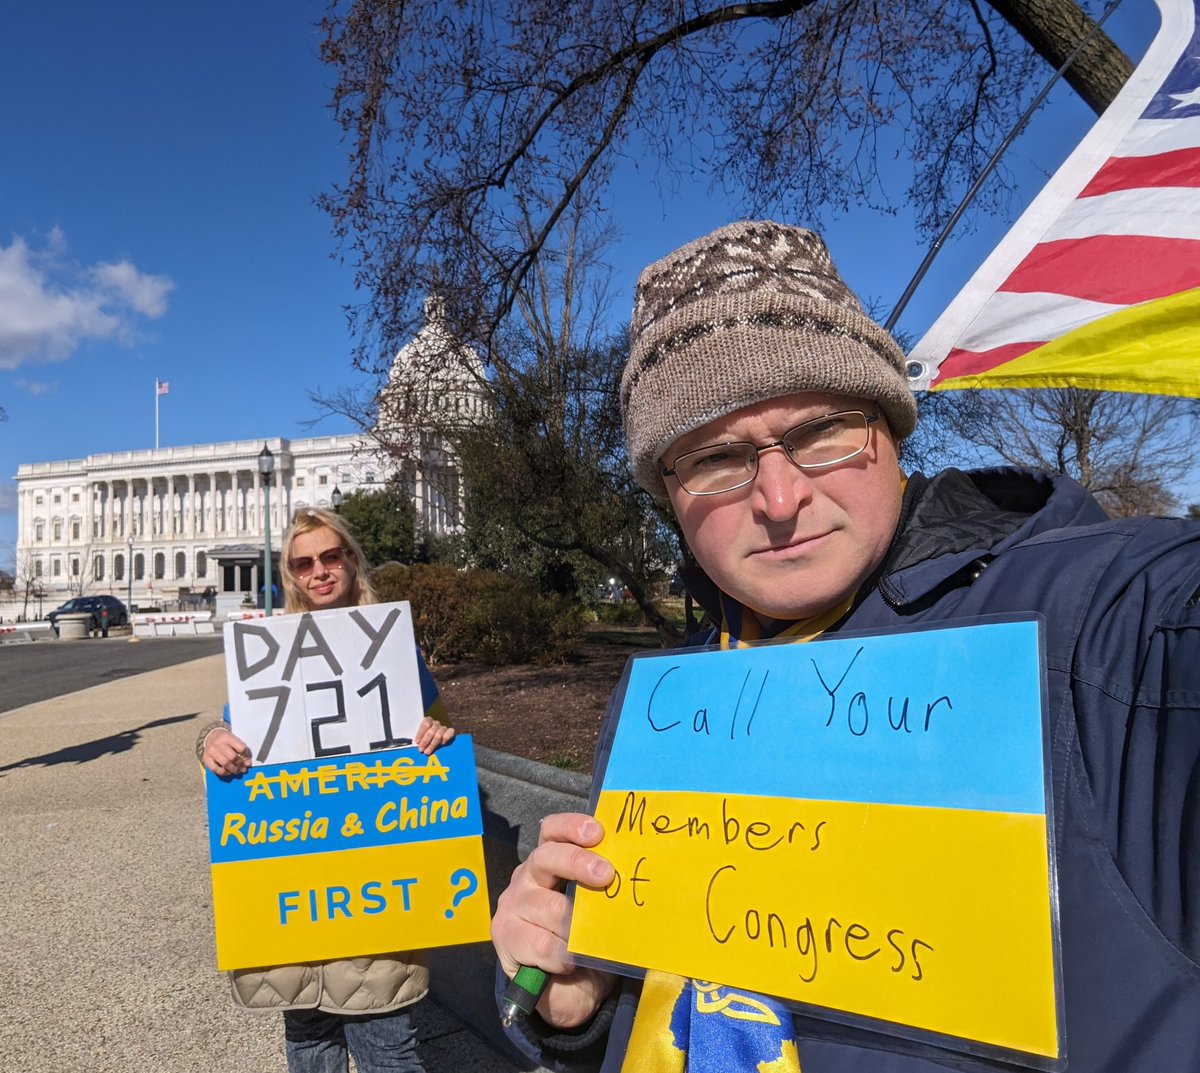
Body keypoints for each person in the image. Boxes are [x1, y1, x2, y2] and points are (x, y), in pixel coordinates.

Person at [489, 221, 1200, 1072]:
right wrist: (579, 1009)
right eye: (716, 457)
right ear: (667, 494)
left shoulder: (1112, 619)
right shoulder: (666, 694)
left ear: (892, 428)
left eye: (824, 429)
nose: (781, 496)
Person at [198, 506, 454, 1073]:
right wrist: (210, 740)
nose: (318, 571)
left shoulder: (397, 651)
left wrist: (436, 734)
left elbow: (435, 737)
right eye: (303, 562)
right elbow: (233, 742)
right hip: (295, 890)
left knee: (388, 1045)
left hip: (373, 881)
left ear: (351, 561)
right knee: (308, 1041)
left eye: (330, 556)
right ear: (291, 574)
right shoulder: (268, 652)